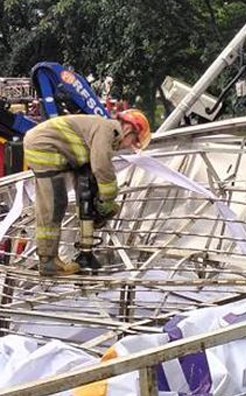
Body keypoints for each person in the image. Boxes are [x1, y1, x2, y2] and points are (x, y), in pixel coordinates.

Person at [23, 109, 151, 276]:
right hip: (45, 147)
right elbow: (101, 166)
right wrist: (108, 199)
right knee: (54, 205)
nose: (128, 147)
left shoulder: (97, 128)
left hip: (43, 144)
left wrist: (89, 208)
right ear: (128, 129)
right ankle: (48, 262)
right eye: (133, 141)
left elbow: (83, 172)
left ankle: (48, 259)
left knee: (54, 204)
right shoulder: (107, 130)